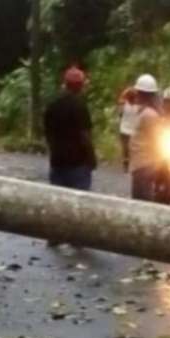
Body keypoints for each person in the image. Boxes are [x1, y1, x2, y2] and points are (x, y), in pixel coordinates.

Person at [43, 66, 97, 247]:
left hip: (57, 160)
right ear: (80, 85)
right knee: (80, 201)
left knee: (57, 200)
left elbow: (47, 133)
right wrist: (91, 156)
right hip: (77, 162)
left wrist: (54, 150)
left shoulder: (53, 105)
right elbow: (85, 135)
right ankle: (77, 237)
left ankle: (54, 235)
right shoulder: (80, 106)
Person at [129, 74, 161, 201]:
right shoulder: (143, 112)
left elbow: (156, 139)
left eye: (138, 92)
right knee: (138, 199)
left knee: (143, 201)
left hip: (145, 164)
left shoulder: (149, 115)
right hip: (140, 163)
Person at [118, 87, 140, 172]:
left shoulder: (124, 104)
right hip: (128, 130)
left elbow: (119, 114)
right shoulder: (137, 106)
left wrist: (126, 91)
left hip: (126, 130)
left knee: (126, 149)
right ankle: (128, 164)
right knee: (129, 148)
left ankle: (127, 165)